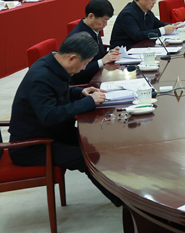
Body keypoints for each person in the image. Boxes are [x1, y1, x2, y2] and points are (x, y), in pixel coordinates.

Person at [7, 32, 121, 206]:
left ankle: (123, 194)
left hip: (55, 133)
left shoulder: (53, 64)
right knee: (87, 158)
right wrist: (88, 102)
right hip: (32, 146)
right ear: (71, 58)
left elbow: (58, 93)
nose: (84, 69)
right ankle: (125, 203)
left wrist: (80, 92)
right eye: (84, 64)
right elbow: (49, 116)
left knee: (99, 143)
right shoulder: (40, 77)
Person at [67, 0, 120, 85]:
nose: (105, 24)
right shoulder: (79, 38)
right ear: (91, 16)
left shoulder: (93, 28)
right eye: (104, 20)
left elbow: (96, 56)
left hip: (98, 76)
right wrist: (102, 61)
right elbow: (76, 73)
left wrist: (110, 53)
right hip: (84, 84)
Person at [109, 0, 175, 49]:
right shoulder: (127, 14)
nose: (154, 2)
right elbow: (137, 36)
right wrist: (163, 30)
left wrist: (174, 26)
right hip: (126, 51)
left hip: (142, 47)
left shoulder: (147, 11)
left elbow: (158, 24)